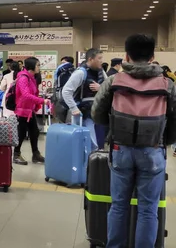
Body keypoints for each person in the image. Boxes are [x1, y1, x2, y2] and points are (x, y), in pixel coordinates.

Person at [92, 34, 176, 248]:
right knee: (148, 209)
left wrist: (112, 131)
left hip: (121, 149)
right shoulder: (167, 84)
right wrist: (164, 141)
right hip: (153, 150)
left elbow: (97, 112)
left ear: (126, 56)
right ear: (153, 56)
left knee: (119, 206)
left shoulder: (114, 81)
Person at [61, 48, 107, 150]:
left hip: (98, 114)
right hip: (84, 115)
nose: (101, 61)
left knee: (99, 145)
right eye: (99, 58)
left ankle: (95, 164)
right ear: (90, 59)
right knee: (89, 144)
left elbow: (108, 87)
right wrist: (74, 108)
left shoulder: (101, 72)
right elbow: (66, 91)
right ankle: (86, 165)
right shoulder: (81, 73)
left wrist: (100, 88)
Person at [13, 57, 49, 165]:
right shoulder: (23, 78)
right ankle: (16, 154)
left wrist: (37, 104)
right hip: (22, 111)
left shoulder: (31, 77)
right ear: (31, 66)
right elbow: (26, 95)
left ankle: (36, 154)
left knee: (34, 132)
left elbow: (33, 93)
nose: (39, 67)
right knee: (21, 134)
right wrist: (42, 101)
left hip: (29, 110)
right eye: (37, 65)